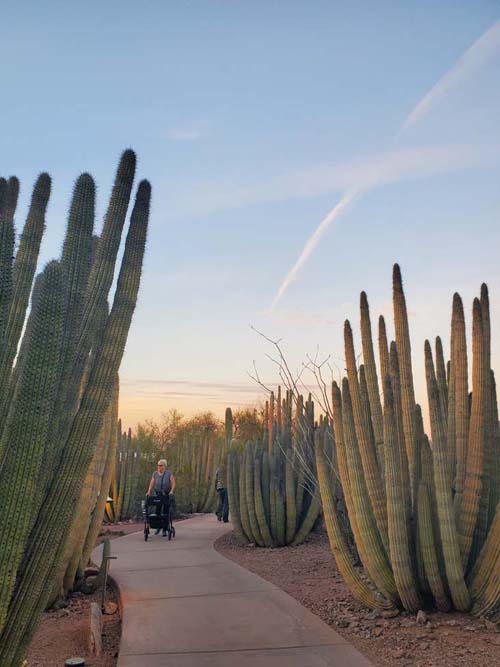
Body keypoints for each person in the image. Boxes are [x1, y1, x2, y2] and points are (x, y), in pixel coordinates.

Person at [146, 459, 176, 536]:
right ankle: (158, 527)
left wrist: (171, 491)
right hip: (158, 494)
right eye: (158, 465)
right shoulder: (155, 474)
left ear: (164, 466)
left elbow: (173, 483)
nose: (159, 467)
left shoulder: (169, 473)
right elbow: (152, 483)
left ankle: (165, 529)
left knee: (166, 511)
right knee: (158, 511)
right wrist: (149, 491)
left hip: (166, 494)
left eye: (161, 465)